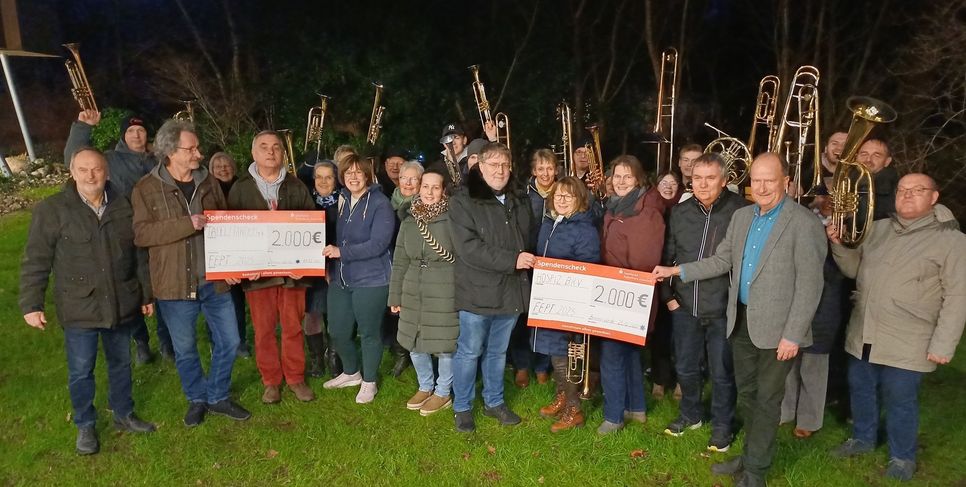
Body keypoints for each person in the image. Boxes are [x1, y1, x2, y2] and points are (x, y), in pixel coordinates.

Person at [653, 153, 826, 486]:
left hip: (779, 331)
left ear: (785, 182)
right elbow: (721, 260)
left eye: (769, 180)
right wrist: (679, 270)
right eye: (756, 180)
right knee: (747, 395)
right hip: (741, 322)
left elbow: (810, 284)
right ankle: (747, 456)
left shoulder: (803, 223)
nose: (761, 187)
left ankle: (756, 471)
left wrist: (793, 334)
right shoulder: (744, 216)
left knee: (767, 399)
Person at [829, 173, 966, 482]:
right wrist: (839, 245)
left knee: (900, 400)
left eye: (918, 190)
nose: (907, 195)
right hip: (864, 331)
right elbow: (853, 268)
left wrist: (944, 345)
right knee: (861, 389)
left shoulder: (952, 242)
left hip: (909, 339)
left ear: (934, 197)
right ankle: (862, 439)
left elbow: (958, 297)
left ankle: (902, 456)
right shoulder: (878, 230)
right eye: (903, 189)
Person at [20, 147, 157, 455]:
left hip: (121, 302)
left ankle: (124, 413)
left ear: (106, 172)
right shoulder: (53, 209)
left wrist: (146, 294)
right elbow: (36, 259)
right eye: (83, 170)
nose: (90, 175)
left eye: (96, 169)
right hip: (78, 307)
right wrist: (32, 304)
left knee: (120, 363)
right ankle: (85, 424)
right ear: (72, 172)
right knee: (81, 371)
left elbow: (140, 255)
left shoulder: (124, 205)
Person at [131, 119, 251, 427]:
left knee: (229, 340)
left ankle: (217, 395)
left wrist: (232, 267)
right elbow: (142, 235)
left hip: (214, 281)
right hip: (173, 286)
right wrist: (188, 223)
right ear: (171, 151)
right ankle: (197, 398)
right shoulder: (146, 188)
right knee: (185, 350)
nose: (198, 152)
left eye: (197, 147)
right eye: (192, 148)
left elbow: (225, 225)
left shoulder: (208, 181)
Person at [659, 153, 749, 453]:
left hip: (723, 309)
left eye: (711, 178)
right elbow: (667, 256)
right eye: (698, 178)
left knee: (723, 372)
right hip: (685, 306)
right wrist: (669, 298)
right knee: (685, 367)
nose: (703, 184)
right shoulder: (680, 212)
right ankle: (691, 414)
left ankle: (723, 425)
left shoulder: (741, 212)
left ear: (724, 181)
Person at [64, 109, 165, 364]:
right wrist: (83, 127)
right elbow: (74, 158)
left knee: (161, 286)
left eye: (141, 130)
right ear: (123, 135)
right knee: (130, 287)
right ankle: (141, 340)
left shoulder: (158, 160)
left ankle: (167, 342)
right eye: (130, 131)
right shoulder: (111, 159)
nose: (136, 135)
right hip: (123, 229)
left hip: (158, 231)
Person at [450, 142, 534, 433]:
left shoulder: (518, 199)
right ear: (479, 167)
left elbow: (527, 239)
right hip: (477, 292)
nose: (500, 170)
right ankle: (461, 406)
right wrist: (514, 260)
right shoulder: (463, 200)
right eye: (493, 164)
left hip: (510, 290)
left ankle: (494, 402)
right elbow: (469, 248)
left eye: (505, 165)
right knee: (469, 352)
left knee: (498, 352)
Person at [227, 131, 316, 404]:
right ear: (253, 153)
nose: (271, 152)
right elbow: (230, 232)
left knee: (292, 327)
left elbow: (311, 226)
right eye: (264, 147)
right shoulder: (240, 188)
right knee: (264, 330)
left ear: (283, 154)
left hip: (292, 275)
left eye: (276, 147)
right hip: (258, 277)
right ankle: (271, 381)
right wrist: (240, 267)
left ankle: (295, 378)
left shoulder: (297, 186)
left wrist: (307, 263)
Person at [597, 154, 666, 435]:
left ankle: (613, 416)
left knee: (612, 356)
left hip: (627, 296)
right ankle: (636, 408)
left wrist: (619, 284)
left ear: (638, 179)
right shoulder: (616, 208)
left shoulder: (645, 213)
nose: (621, 181)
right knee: (627, 354)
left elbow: (643, 262)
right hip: (616, 292)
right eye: (617, 176)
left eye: (628, 176)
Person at [322, 154, 395, 404]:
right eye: (348, 172)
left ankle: (370, 381)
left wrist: (342, 252)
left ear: (367, 175)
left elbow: (378, 244)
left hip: (372, 279)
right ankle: (351, 372)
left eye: (358, 172)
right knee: (338, 330)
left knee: (368, 333)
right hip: (341, 278)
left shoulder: (380, 203)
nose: (353, 176)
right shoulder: (341, 199)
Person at [388, 168, 459, 416]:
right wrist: (395, 295)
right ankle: (425, 385)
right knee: (414, 340)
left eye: (435, 187)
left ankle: (443, 391)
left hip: (443, 288)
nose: (429, 192)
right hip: (412, 288)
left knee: (444, 343)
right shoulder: (409, 220)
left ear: (443, 191)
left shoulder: (453, 218)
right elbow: (399, 260)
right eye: (425, 186)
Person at [532, 176, 600, 432]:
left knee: (564, 357)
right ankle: (563, 396)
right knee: (553, 352)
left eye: (568, 196)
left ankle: (574, 410)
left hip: (569, 302)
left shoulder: (584, 229)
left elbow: (588, 266)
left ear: (579, 200)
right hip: (548, 300)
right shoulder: (550, 223)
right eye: (558, 195)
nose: (561, 200)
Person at [780, 194, 846, 439]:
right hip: (793, 294)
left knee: (814, 363)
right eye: (822, 195)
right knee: (787, 362)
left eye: (831, 196)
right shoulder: (801, 219)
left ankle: (809, 418)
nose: (826, 200)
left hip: (825, 297)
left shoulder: (844, 226)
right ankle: (785, 410)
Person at [385, 160, 424, 377]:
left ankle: (413, 353)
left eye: (413, 179)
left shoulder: (423, 206)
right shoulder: (388, 202)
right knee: (394, 311)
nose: (407, 183)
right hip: (391, 263)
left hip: (413, 266)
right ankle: (400, 354)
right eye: (403, 178)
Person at [208, 152, 250, 358]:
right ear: (211, 170)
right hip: (218, 254)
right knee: (218, 301)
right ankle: (216, 341)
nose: (223, 169)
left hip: (241, 251)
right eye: (218, 166)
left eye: (227, 165)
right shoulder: (207, 190)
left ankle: (240, 341)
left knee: (237, 300)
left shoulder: (244, 187)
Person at [304, 160, 341, 378]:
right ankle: (317, 360)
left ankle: (334, 357)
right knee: (313, 314)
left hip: (337, 267)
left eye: (329, 177)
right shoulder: (306, 202)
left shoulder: (345, 201)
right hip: (311, 267)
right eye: (319, 176)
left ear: (336, 180)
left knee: (336, 315)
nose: (324, 181)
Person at [650, 170, 684, 400]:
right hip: (658, 278)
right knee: (660, 335)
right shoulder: (651, 209)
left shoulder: (684, 209)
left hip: (681, 279)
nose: (668, 186)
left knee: (682, 337)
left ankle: (682, 379)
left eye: (673, 183)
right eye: (664, 182)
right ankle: (659, 380)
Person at [856, 138, 899, 220]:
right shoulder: (847, 181)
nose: (868, 159)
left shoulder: (896, 189)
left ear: (887, 161)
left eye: (876, 155)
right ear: (856, 158)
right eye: (864, 154)